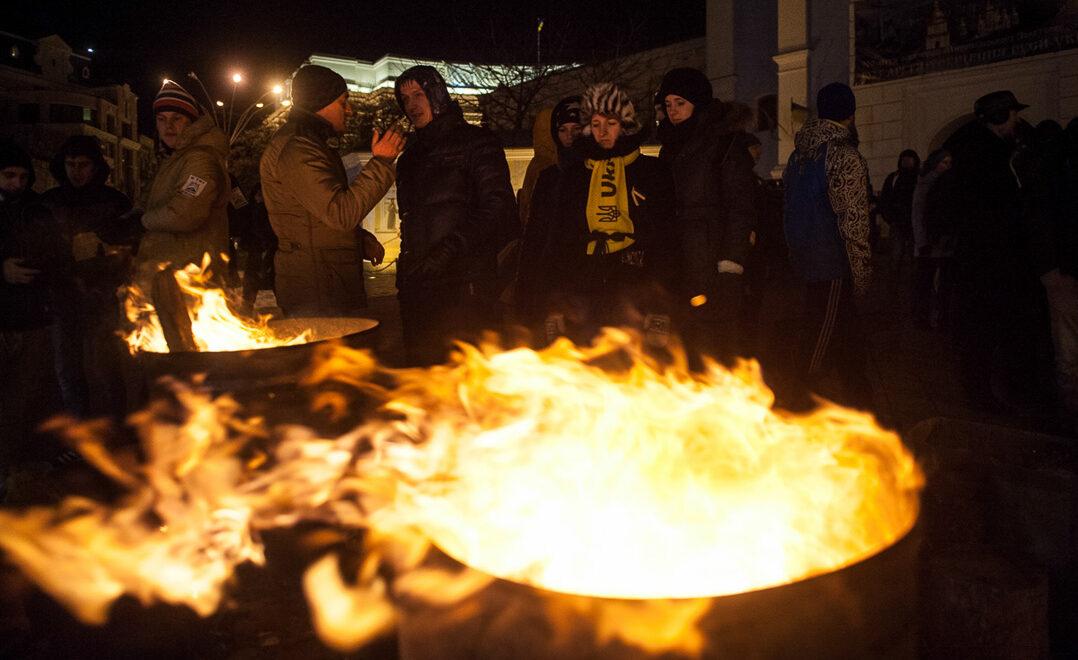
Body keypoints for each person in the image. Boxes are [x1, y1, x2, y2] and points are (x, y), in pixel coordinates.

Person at [531, 82, 677, 350]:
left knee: (632, 366)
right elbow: (560, 238)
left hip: (635, 283)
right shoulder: (575, 175)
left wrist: (660, 305)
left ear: (625, 123)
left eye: (610, 123)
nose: (603, 132)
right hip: (583, 283)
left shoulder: (651, 171)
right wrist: (553, 300)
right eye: (596, 124)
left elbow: (666, 238)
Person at [393, 65, 517, 365]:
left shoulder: (476, 142)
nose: (411, 105)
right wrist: (407, 267)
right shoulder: (410, 157)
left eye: (418, 94)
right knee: (424, 378)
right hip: (420, 286)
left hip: (466, 285)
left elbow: (498, 206)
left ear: (436, 94)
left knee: (466, 377)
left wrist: (452, 248)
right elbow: (410, 218)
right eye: (404, 98)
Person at [260, 64, 403, 317]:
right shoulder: (298, 148)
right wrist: (380, 163)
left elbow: (317, 216)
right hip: (316, 289)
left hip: (324, 281)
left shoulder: (310, 143)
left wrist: (357, 239)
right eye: (342, 102)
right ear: (321, 103)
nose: (349, 110)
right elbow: (340, 213)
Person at [942, 90, 1047, 410]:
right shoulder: (987, 156)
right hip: (991, 260)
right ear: (1000, 116)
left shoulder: (979, 151)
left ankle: (985, 392)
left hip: (984, 259)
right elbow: (996, 211)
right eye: (1012, 114)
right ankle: (987, 395)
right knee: (989, 329)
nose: (1017, 119)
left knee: (985, 329)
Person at [655, 67, 757, 363]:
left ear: (698, 103)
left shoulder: (725, 145)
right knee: (681, 350)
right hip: (678, 263)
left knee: (715, 348)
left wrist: (730, 265)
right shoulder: (670, 148)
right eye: (668, 104)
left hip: (711, 264)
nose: (673, 111)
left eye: (680, 103)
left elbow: (741, 207)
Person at [782, 82, 874, 409]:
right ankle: (793, 405)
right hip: (831, 263)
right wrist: (862, 273)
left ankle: (861, 402)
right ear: (850, 114)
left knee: (846, 337)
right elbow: (854, 221)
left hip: (806, 257)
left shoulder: (798, 155)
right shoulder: (843, 154)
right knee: (817, 341)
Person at [40, 135, 136, 417]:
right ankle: (80, 431)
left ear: (95, 167)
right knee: (67, 369)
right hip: (62, 296)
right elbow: (38, 245)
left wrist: (104, 250)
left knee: (105, 367)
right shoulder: (50, 202)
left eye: (83, 165)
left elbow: (129, 246)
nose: (77, 171)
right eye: (71, 164)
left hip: (101, 296)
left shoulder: (114, 202)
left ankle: (114, 427)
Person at [0, 141, 70, 474]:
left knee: (31, 393)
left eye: (22, 176)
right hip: (5, 317)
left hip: (32, 316)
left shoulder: (37, 210)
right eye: (8, 175)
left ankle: (32, 459)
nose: (15, 183)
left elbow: (57, 255)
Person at [134, 80, 230, 289]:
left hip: (192, 276)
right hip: (172, 273)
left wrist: (141, 222)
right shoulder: (172, 159)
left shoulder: (199, 159)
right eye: (162, 119)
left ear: (192, 121)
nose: (168, 127)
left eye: (177, 118)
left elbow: (186, 212)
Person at [516, 95, 582, 328]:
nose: (569, 136)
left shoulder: (599, 174)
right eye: (563, 130)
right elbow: (535, 234)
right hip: (551, 277)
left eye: (576, 128)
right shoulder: (548, 176)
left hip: (587, 282)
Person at [910, 149, 955, 330]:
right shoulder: (926, 183)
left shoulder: (948, 184)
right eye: (944, 162)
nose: (947, 166)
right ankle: (923, 317)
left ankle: (941, 317)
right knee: (925, 282)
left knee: (944, 282)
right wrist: (922, 243)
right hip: (929, 243)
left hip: (944, 241)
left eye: (949, 163)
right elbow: (918, 214)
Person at [879, 149, 920, 283]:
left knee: (914, 256)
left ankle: (913, 283)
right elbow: (885, 198)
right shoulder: (894, 177)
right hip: (898, 222)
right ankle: (894, 284)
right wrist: (889, 217)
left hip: (915, 223)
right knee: (896, 256)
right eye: (904, 159)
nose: (906, 161)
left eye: (909, 159)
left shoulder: (919, 177)